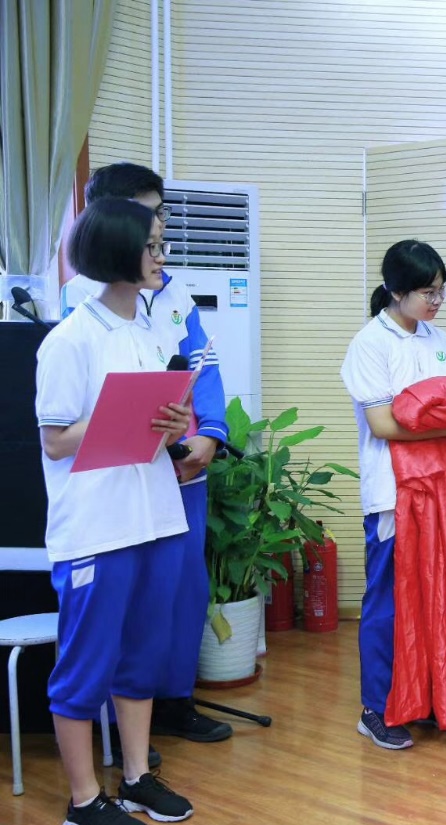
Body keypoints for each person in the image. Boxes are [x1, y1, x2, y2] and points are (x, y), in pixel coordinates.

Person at [38, 198, 198, 825]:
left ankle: (135, 777)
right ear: (117, 251)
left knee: (142, 657)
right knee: (85, 664)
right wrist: (119, 415)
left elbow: (160, 428)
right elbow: (54, 440)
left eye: (162, 245)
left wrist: (171, 423)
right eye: (152, 246)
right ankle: (83, 801)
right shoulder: (68, 340)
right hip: (96, 527)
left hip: (155, 517)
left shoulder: (155, 333)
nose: (162, 257)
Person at [63, 162, 233, 746]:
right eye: (150, 214)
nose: (161, 227)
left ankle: (175, 701)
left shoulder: (174, 290)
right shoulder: (80, 299)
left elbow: (203, 369)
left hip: (184, 466)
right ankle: (118, 729)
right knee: (125, 601)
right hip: (124, 475)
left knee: (182, 588)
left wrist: (209, 436)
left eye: (161, 213)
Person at [340, 239, 446, 750]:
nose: (436, 301)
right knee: (390, 600)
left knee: (439, 595)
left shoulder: (439, 340)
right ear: (396, 292)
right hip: (391, 493)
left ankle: (433, 700)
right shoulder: (371, 343)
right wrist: (441, 426)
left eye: (441, 290)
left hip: (440, 491)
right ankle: (377, 707)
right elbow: (382, 424)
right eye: (426, 292)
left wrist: (430, 420)